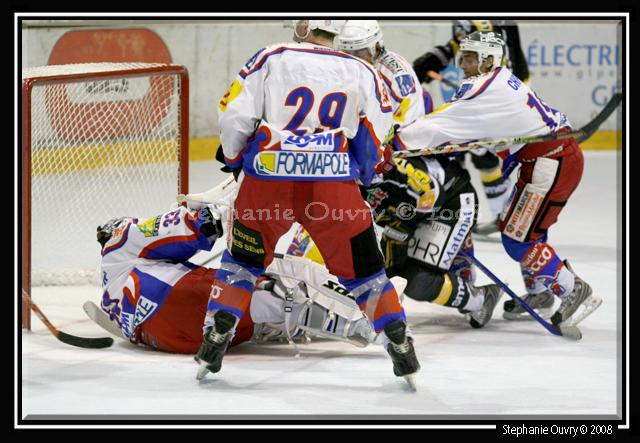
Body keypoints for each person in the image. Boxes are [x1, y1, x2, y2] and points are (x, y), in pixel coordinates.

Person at [199, 19, 419, 387]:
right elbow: (374, 136)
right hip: (332, 186)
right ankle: (397, 337)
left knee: (243, 262)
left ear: (305, 27)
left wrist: (235, 158)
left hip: (268, 180)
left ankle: (218, 329)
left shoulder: (270, 56)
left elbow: (235, 115)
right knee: (366, 272)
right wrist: (365, 173)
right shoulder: (363, 70)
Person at [391, 30, 602, 327]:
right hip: (547, 159)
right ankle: (539, 292)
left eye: (469, 58)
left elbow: (439, 125)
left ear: (488, 60)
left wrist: (396, 141)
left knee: (517, 239)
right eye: (462, 58)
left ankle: (573, 289)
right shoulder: (499, 79)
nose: (462, 65)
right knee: (524, 229)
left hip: (550, 163)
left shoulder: (482, 89)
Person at [96, 207, 377, 355]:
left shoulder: (110, 290)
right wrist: (211, 214)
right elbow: (194, 228)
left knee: (243, 307)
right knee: (266, 284)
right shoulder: (124, 235)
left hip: (169, 341)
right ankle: (357, 324)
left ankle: (272, 323)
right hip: (176, 301)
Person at [287, 19, 429, 264]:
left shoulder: (394, 75)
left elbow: (397, 128)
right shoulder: (346, 66)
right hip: (361, 149)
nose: (354, 58)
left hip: (393, 158)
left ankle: (319, 259)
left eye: (360, 52)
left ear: (377, 47)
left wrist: (363, 157)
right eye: (347, 51)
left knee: (337, 205)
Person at [413, 20, 531, 236]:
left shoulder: (485, 24)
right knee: (472, 154)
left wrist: (490, 96)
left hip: (502, 91)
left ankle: (502, 215)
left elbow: (500, 58)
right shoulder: (469, 23)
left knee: (479, 153)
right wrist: (433, 60)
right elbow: (458, 42)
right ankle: (499, 214)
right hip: (495, 87)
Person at [362, 150, 503, 328]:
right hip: (418, 211)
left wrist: (402, 229)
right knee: (393, 271)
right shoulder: (346, 180)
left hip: (452, 202)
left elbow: (432, 193)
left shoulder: (386, 168)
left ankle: (481, 299)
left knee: (418, 282)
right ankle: (459, 268)